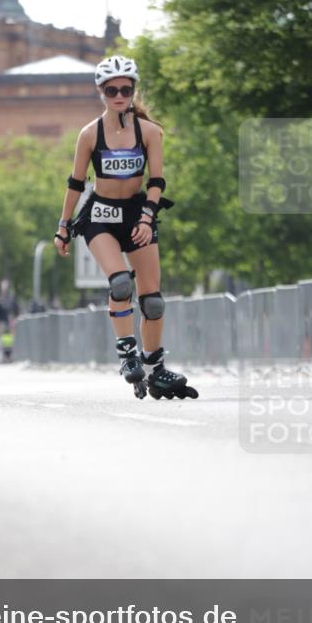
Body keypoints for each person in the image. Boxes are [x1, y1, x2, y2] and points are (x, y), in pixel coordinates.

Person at [53, 55, 197, 400]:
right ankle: (127, 353)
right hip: (100, 216)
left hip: (137, 215)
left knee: (153, 302)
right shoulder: (89, 134)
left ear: (133, 90)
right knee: (120, 283)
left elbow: (157, 180)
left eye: (125, 89)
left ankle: (155, 368)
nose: (119, 95)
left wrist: (148, 217)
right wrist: (63, 227)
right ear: (101, 92)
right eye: (112, 90)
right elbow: (76, 183)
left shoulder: (150, 132)